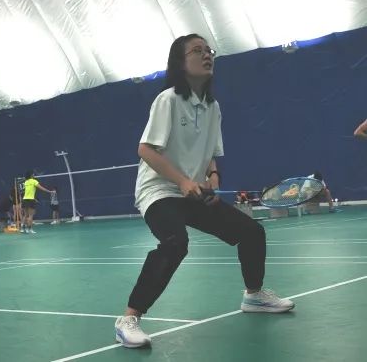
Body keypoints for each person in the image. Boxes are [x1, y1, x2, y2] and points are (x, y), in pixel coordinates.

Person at [114, 34, 294, 349]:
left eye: (208, 50)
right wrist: (183, 181)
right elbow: (146, 149)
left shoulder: (212, 107)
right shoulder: (168, 99)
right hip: (158, 190)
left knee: (251, 232)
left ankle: (254, 296)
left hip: (193, 192)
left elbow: (210, 151)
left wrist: (212, 176)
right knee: (175, 243)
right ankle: (128, 319)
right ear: (180, 62)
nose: (206, 55)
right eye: (196, 51)